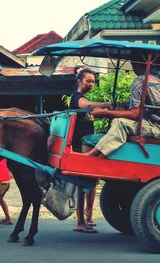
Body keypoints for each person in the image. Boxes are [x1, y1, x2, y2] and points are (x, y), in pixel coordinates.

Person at [85, 62, 160, 157]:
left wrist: (105, 112)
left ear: (134, 65)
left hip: (156, 126)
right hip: (153, 123)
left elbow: (135, 114)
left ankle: (92, 155)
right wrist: (123, 105)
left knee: (120, 123)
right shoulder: (156, 79)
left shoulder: (141, 81)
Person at [70, 67, 112, 234]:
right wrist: (107, 105)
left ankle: (88, 216)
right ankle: (80, 221)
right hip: (80, 146)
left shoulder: (84, 98)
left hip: (87, 143)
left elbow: (91, 113)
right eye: (89, 81)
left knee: (92, 183)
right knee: (82, 184)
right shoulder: (77, 98)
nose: (92, 84)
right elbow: (87, 106)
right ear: (80, 81)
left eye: (93, 82)